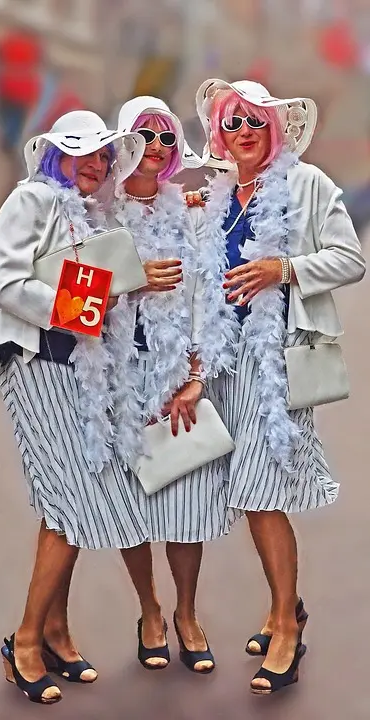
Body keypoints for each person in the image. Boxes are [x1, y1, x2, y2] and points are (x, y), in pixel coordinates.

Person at [192, 78, 366, 693]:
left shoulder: (307, 185)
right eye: (231, 124)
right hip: (226, 364)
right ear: (219, 133)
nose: (242, 134)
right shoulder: (216, 199)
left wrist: (284, 268)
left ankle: (288, 628)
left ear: (274, 128)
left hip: (278, 362)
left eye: (253, 123)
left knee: (264, 496)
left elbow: (351, 258)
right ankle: (281, 608)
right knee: (249, 495)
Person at [0, 110, 146, 704]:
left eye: (104, 155)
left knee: (66, 500)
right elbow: (8, 284)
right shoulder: (30, 200)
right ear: (56, 156)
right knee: (70, 500)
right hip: (34, 364)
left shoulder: (95, 217)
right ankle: (24, 642)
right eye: (84, 153)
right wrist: (86, 308)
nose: (97, 163)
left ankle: (54, 629)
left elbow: (101, 289)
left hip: (75, 368)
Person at [107, 95, 236, 674]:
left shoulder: (188, 213)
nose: (155, 149)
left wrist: (195, 374)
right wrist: (130, 281)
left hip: (175, 374)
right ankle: (150, 610)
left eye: (164, 138)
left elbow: (205, 298)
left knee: (184, 496)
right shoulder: (99, 214)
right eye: (143, 137)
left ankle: (187, 612)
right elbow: (77, 297)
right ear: (124, 143)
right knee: (135, 501)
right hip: (114, 376)